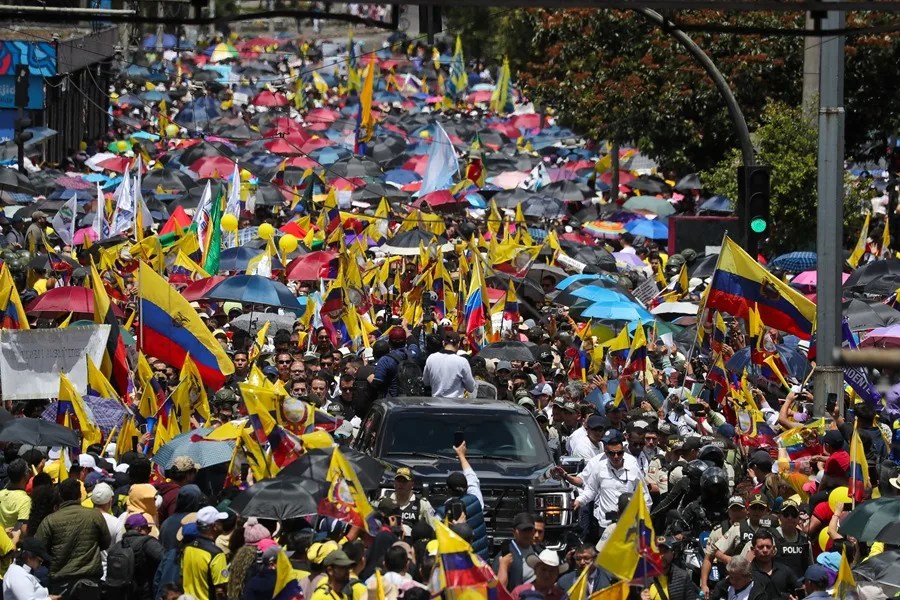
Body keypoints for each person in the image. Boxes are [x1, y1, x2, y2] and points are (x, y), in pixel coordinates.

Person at [35, 478, 112, 595]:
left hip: (61, 582)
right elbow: (105, 543)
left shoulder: (50, 520)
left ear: (60, 496)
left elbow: (39, 548)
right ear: (80, 495)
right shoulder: (95, 516)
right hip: (90, 580)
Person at [573, 431, 647, 533]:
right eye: (612, 453)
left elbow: (644, 495)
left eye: (619, 453)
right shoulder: (599, 467)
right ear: (606, 453)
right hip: (606, 523)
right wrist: (579, 501)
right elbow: (590, 490)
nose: (616, 456)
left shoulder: (633, 467)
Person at [437, 442, 487, 559]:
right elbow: (472, 478)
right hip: (480, 564)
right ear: (466, 487)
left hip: (459, 567)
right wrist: (462, 455)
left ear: (447, 489)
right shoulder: (476, 500)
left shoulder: (441, 512)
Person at [112, 513, 165, 600]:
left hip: (122, 593)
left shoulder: (117, 546)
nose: (149, 531)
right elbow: (165, 558)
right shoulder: (147, 543)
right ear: (139, 528)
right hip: (144, 593)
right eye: (148, 528)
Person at [181, 506, 229, 600]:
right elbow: (220, 591)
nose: (222, 524)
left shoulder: (187, 548)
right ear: (214, 526)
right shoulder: (216, 554)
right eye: (220, 522)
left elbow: (182, 578)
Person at [748, 529, 799, 600]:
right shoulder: (747, 573)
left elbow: (800, 588)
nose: (765, 550)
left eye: (768, 547)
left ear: (774, 549)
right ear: (753, 550)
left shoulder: (784, 570)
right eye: (761, 547)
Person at [422, 332, 476, 398]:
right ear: (458, 344)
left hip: (436, 405)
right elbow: (471, 387)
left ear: (443, 343)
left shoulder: (431, 358)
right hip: (455, 405)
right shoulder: (462, 362)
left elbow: (426, 382)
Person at [494, 513, 537, 590]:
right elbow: (498, 589)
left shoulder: (538, 550)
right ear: (514, 532)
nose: (527, 534)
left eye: (529, 530)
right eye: (523, 530)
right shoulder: (505, 555)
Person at [386, 467, 434, 532]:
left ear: (412, 484)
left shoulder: (422, 503)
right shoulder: (385, 502)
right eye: (398, 480)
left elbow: (435, 527)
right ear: (394, 483)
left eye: (404, 481)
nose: (401, 484)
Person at [709, 555, 774, 600]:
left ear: (747, 576)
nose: (733, 581)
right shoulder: (723, 587)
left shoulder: (759, 594)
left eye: (737, 579)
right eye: (731, 577)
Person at [0, 458, 31, 533]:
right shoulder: (25, 500)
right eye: (28, 470)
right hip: (13, 542)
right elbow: (23, 528)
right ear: (26, 475)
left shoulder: (1, 493)